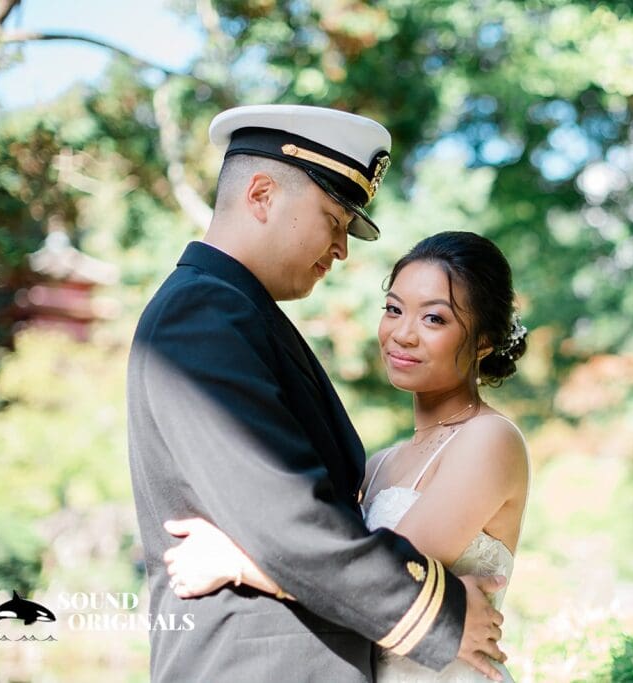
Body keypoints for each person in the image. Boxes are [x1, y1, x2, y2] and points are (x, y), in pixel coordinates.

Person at [127, 105, 507, 683]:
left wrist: (239, 560)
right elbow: (290, 524)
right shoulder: (203, 314)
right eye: (334, 219)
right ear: (261, 195)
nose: (342, 249)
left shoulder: (240, 313)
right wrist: (441, 613)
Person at [163, 231, 531, 682]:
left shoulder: (490, 440)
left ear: (483, 342)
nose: (402, 334)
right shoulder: (378, 464)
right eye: (394, 310)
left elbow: (382, 583)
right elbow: (351, 572)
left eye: (434, 319)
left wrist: (240, 563)